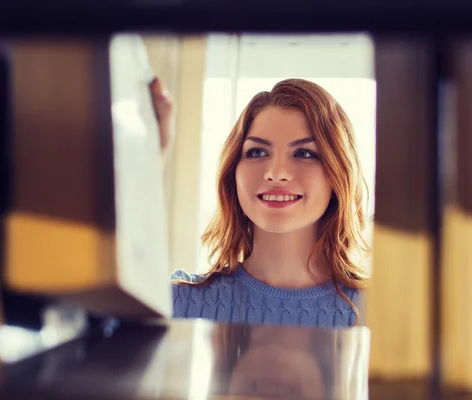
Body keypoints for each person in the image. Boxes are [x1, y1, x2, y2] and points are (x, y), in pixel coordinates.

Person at [150, 77, 370, 328]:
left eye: (304, 153)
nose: (276, 173)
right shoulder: (178, 303)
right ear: (233, 170)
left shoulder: (378, 314)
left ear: (338, 173)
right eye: (257, 152)